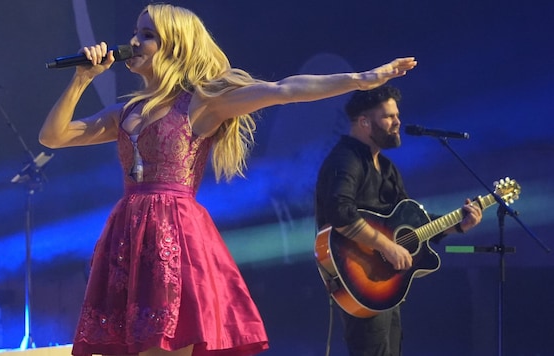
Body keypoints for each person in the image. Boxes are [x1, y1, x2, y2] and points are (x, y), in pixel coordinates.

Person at [39, 3, 417, 356]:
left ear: (175, 47)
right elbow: (53, 136)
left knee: (166, 341)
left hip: (174, 234)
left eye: (148, 34)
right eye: (136, 32)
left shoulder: (202, 103)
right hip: (128, 235)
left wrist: (361, 79)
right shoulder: (125, 111)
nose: (134, 41)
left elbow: (283, 90)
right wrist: (81, 79)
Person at [314, 85, 483, 356]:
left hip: (385, 282)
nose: (398, 122)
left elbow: (414, 224)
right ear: (364, 122)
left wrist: (459, 224)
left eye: (397, 115)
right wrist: (387, 246)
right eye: (389, 117)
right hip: (360, 275)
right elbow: (340, 214)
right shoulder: (346, 160)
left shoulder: (388, 168)